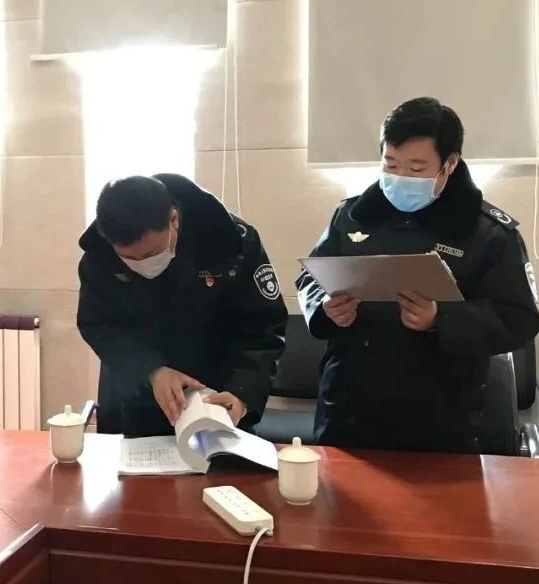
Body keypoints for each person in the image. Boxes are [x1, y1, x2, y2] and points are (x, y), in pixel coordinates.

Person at [297, 97, 539, 453]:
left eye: (416, 168)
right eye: (390, 164)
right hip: (348, 410)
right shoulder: (352, 216)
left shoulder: (487, 232)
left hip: (439, 417)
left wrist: (441, 318)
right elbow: (311, 277)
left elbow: (519, 317)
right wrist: (325, 307)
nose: (400, 178)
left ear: (449, 164)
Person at [77, 173, 287, 437]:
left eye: (151, 253)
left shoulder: (232, 242)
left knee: (220, 462)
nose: (142, 265)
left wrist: (243, 393)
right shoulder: (99, 254)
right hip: (135, 395)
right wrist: (151, 370)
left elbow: (264, 326)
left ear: (174, 220)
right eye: (129, 258)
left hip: (218, 396)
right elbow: (99, 324)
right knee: (138, 462)